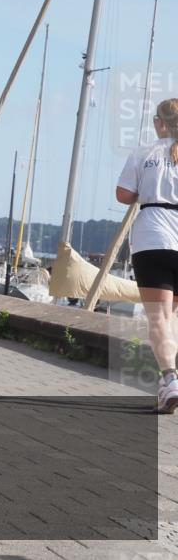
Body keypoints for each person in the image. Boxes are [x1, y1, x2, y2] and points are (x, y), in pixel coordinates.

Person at [116, 98, 178, 413]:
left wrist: (149, 191)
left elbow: (123, 194)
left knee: (158, 317)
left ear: (160, 122)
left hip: (153, 237)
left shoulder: (145, 152)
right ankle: (170, 381)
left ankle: (170, 379)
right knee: (173, 318)